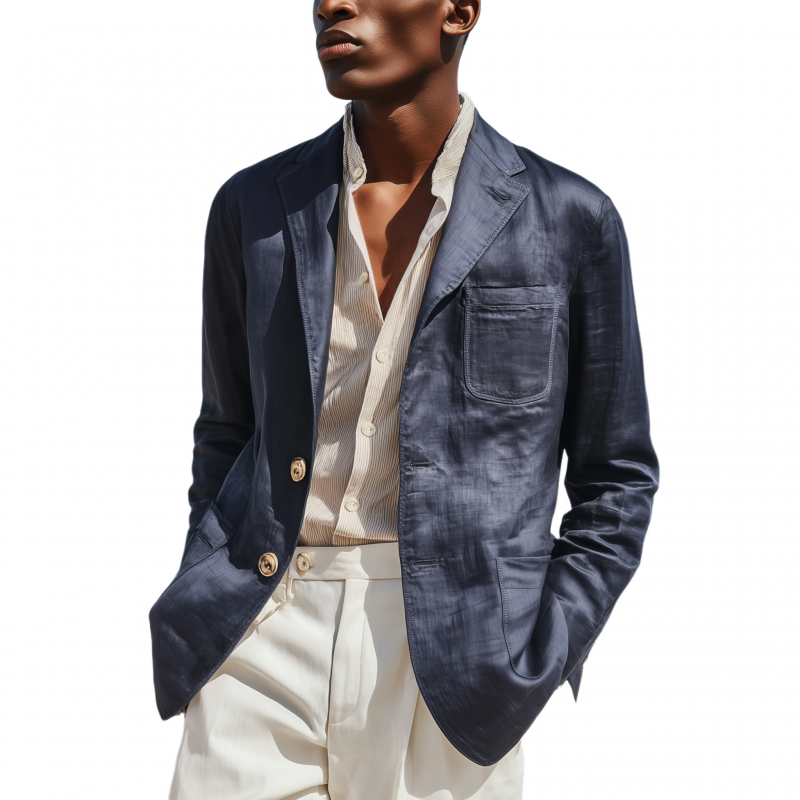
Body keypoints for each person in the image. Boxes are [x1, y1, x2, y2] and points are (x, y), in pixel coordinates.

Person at [149, 1, 659, 797]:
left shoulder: (569, 220)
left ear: (457, 12)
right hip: (264, 629)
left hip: (462, 664)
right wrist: (208, 571)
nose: (330, 4)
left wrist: (541, 644)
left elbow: (617, 477)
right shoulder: (254, 209)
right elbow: (228, 431)